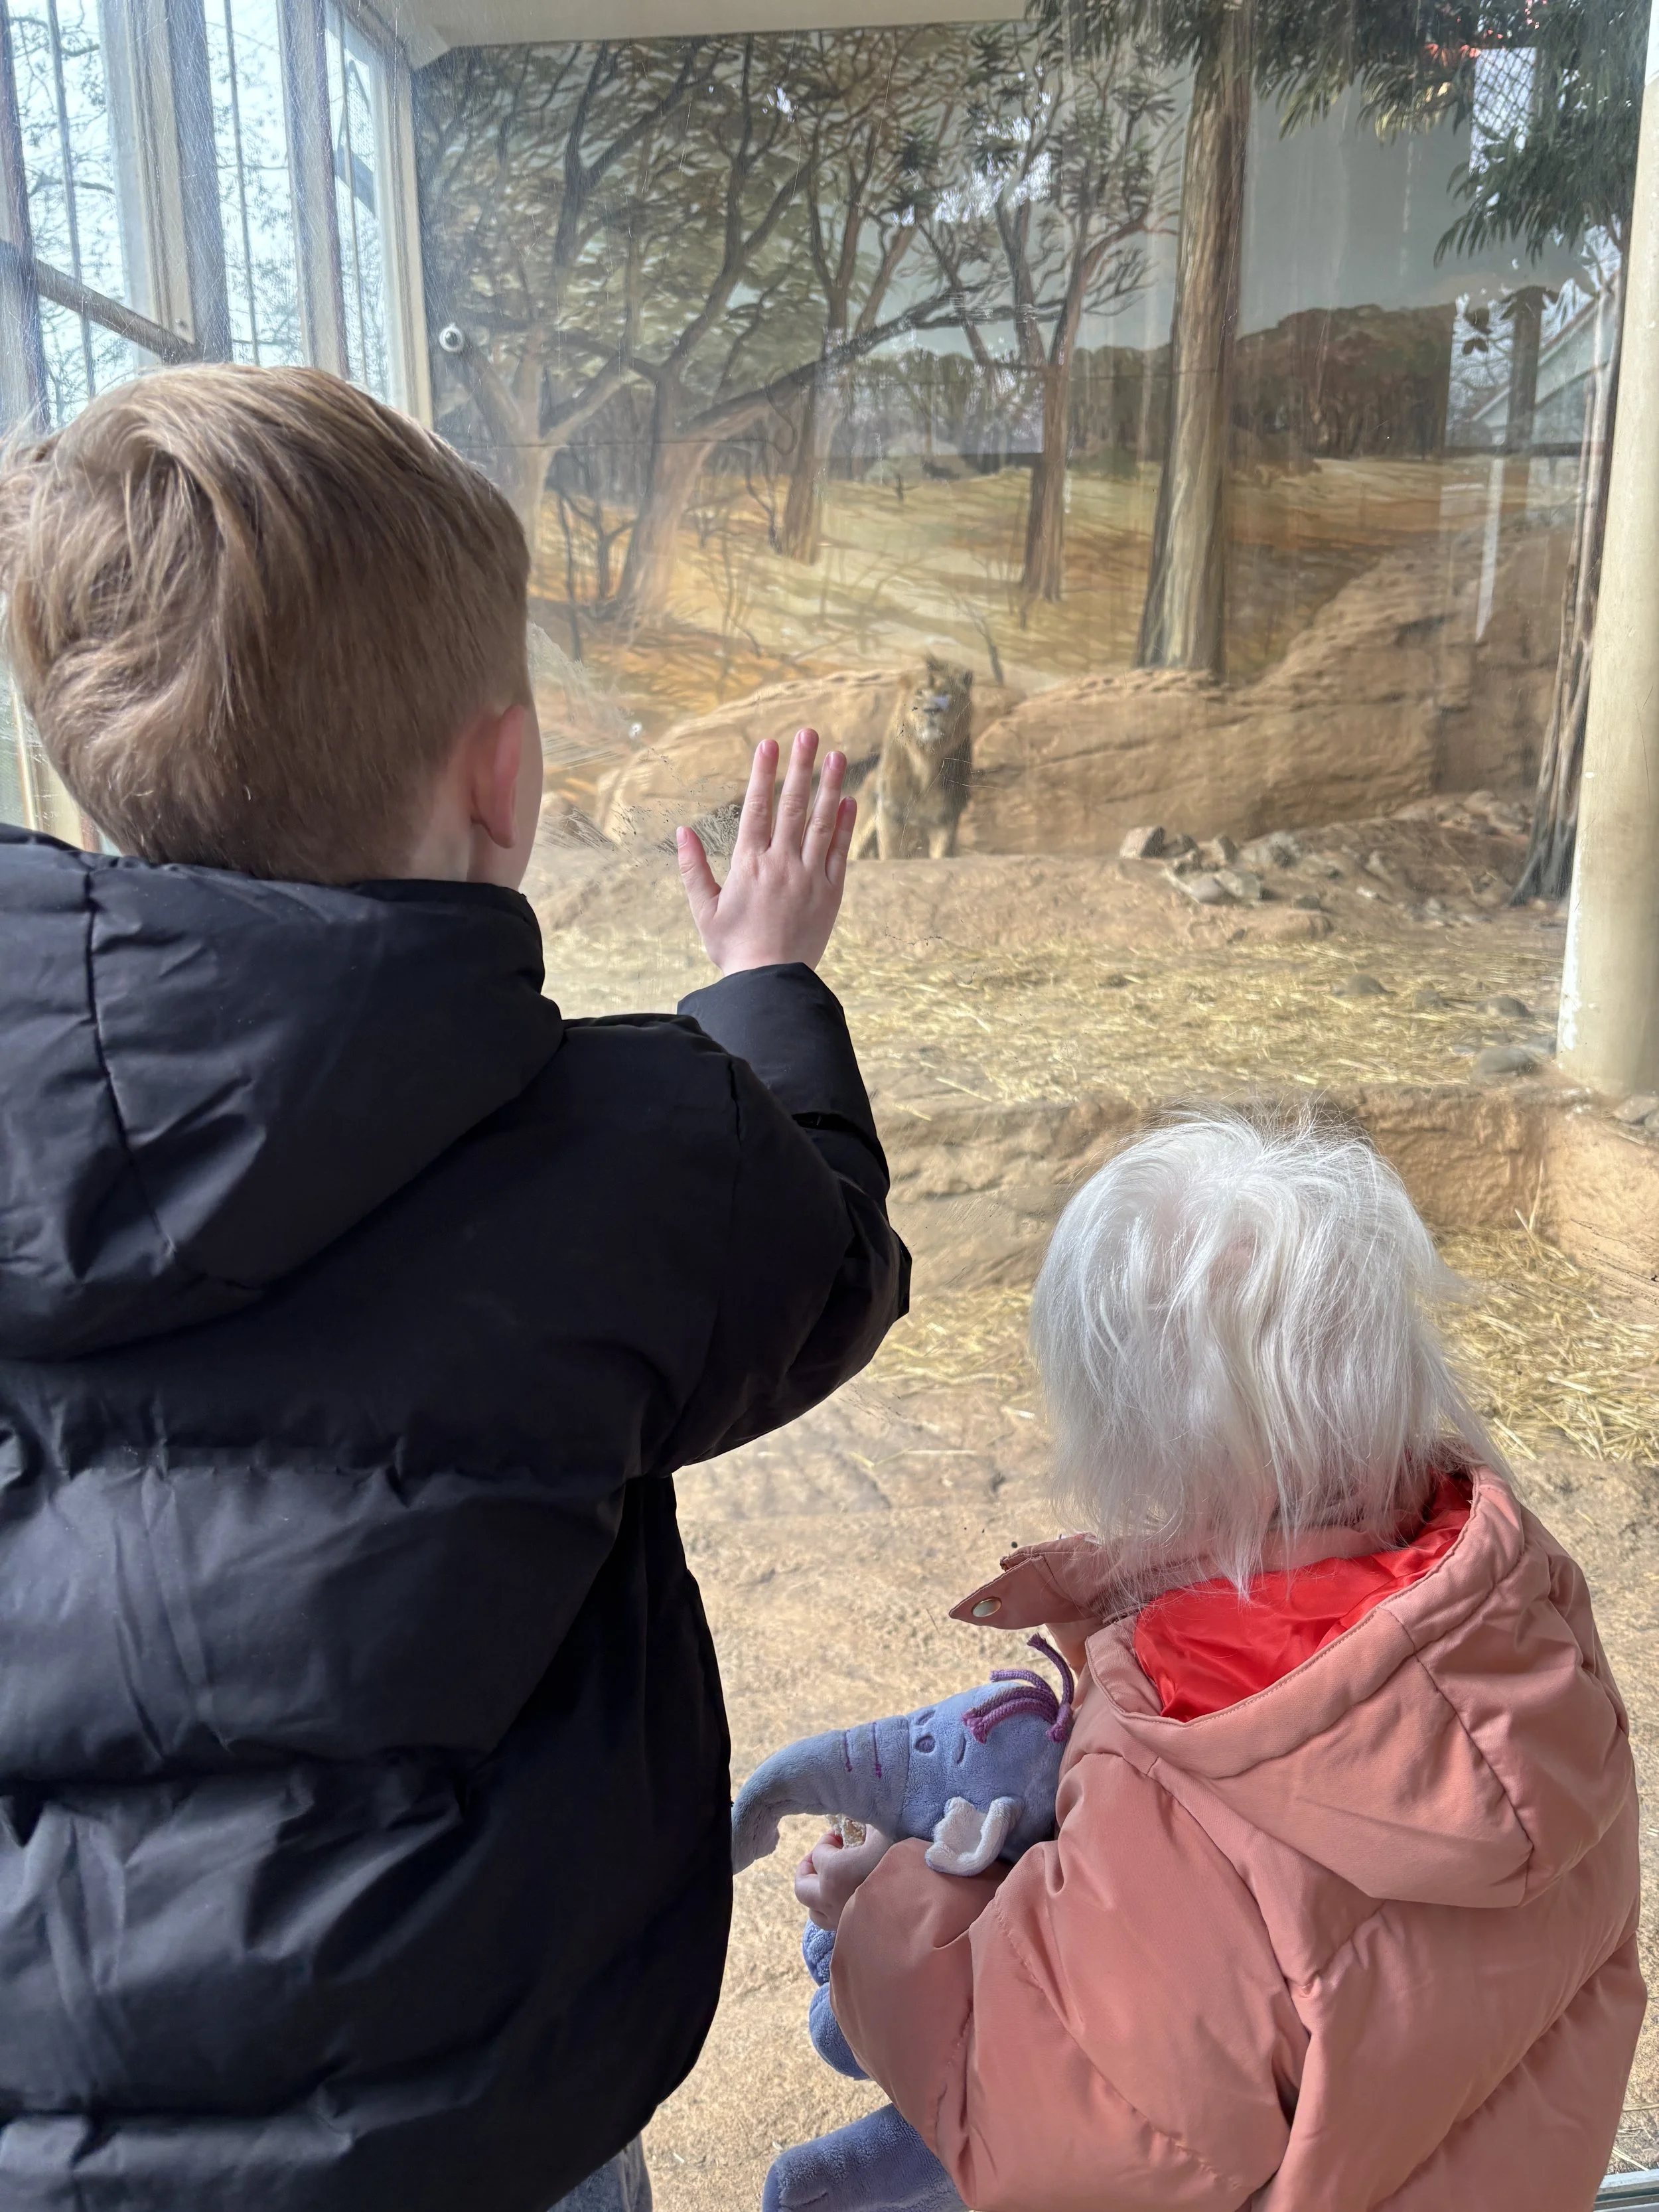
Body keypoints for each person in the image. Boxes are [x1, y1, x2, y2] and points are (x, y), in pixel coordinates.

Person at [0, 364, 908, 2212]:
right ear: (504, 779)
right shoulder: (632, 1143)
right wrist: (759, 991)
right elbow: (827, 1266)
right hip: (492, 2120)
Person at [800, 1109, 1643, 2212]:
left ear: (1132, 1430)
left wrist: (895, 1909)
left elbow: (1062, 2147)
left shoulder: (1195, 1749)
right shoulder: (1514, 1613)